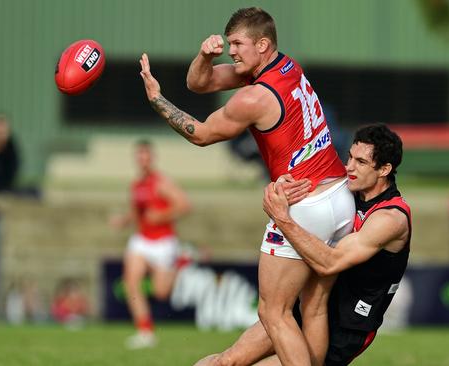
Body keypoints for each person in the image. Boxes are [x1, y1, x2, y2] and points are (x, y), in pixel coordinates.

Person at [139, 7, 354, 365]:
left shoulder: (253, 97)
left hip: (303, 206)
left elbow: (203, 134)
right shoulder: (287, 66)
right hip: (338, 196)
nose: (232, 51)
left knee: (274, 313)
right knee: (312, 307)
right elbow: (199, 83)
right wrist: (204, 57)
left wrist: (156, 100)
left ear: (263, 44)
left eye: (238, 44)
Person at [194, 124, 410, 366]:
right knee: (227, 362)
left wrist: (282, 218)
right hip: (305, 309)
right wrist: (281, 184)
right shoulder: (347, 190)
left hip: (345, 326)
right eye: (349, 157)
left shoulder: (390, 218)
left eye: (361, 162)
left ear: (384, 169)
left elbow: (330, 263)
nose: (349, 167)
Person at [109, 139, 192, 349]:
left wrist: (162, 215)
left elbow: (184, 205)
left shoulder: (161, 182)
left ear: (151, 158)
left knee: (161, 292)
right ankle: (145, 332)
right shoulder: (136, 185)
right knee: (131, 282)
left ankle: (182, 261)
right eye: (139, 156)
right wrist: (124, 220)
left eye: (146, 156)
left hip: (163, 241)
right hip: (142, 240)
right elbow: (138, 212)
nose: (142, 160)